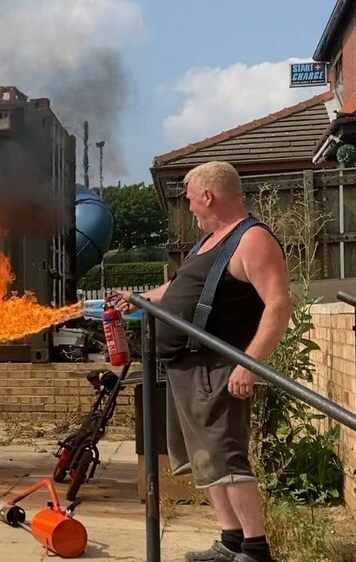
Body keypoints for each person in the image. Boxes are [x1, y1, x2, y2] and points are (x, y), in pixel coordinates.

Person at [110, 161, 293, 562]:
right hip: (186, 367)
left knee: (226, 458)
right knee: (204, 460)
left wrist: (249, 364)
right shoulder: (207, 243)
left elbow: (278, 306)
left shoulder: (252, 240)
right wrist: (139, 298)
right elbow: (176, 289)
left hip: (218, 368)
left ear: (208, 195)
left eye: (190, 197)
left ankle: (256, 549)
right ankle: (230, 542)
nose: (188, 205)